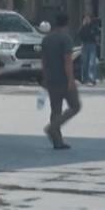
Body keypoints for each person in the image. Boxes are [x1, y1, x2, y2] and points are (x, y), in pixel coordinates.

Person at [40, 12, 80, 150]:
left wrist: (45, 78)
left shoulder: (46, 39)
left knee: (55, 109)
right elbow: (67, 61)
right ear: (67, 24)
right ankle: (53, 127)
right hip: (63, 79)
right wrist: (71, 80)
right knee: (75, 106)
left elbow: (43, 62)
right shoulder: (66, 39)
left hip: (51, 79)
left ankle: (57, 141)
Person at [78, 15, 101, 86]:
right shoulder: (82, 27)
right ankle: (84, 79)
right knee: (84, 62)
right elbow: (79, 34)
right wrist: (83, 26)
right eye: (85, 19)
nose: (87, 20)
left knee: (92, 62)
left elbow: (97, 34)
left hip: (92, 45)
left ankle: (91, 79)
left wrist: (97, 41)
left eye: (88, 19)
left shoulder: (93, 26)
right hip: (84, 44)